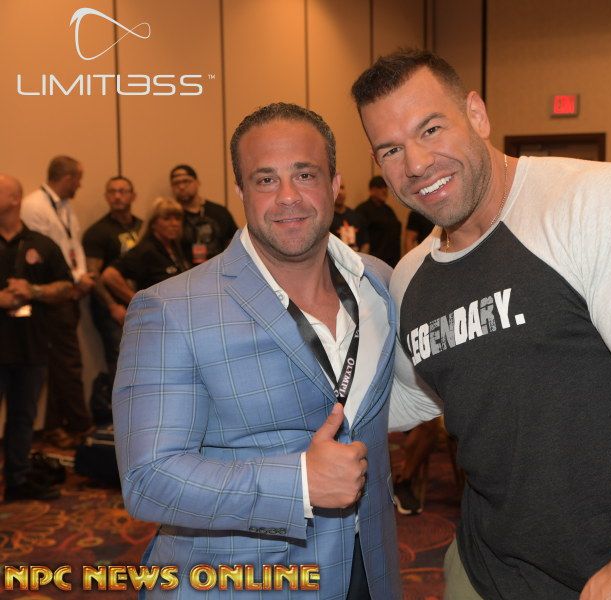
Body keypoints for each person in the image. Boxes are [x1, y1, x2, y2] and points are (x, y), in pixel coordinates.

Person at [352, 49, 611, 600]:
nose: (415, 163)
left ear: (477, 114)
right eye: (391, 149)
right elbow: (413, 395)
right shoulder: (413, 277)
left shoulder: (598, 201)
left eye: (430, 129)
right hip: (483, 569)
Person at [114, 102, 400, 599]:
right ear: (242, 191)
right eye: (266, 180)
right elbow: (148, 480)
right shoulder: (170, 308)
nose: (288, 196)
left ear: (335, 184)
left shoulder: (378, 283)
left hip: (369, 568)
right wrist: (300, 484)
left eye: (305, 174)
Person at [0, 174, 74, 501]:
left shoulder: (41, 244)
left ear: (14, 199)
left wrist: (34, 290)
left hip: (31, 347)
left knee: (23, 418)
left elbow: (66, 287)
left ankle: (17, 480)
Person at [20, 155, 94, 449]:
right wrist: (73, 281)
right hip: (52, 294)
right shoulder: (33, 206)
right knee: (68, 363)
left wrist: (81, 276)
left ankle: (53, 426)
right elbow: (43, 256)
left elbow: (72, 245)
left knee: (60, 364)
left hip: (70, 288)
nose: (80, 185)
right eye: (78, 179)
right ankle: (81, 426)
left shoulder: (64, 206)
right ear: (67, 178)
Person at [82, 176, 142, 375]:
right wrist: (112, 306)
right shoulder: (97, 232)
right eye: (112, 192)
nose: (117, 196)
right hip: (113, 310)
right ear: (106, 197)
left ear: (133, 196)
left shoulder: (143, 227)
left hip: (142, 304)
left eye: (123, 191)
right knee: (121, 362)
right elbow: (93, 274)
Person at [101, 197, 190, 302]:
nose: (174, 224)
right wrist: (137, 301)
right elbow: (109, 275)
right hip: (156, 310)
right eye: (167, 219)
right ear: (153, 223)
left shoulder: (176, 246)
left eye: (178, 219)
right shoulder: (145, 250)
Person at [169, 164, 238, 265]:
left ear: (197, 182)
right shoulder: (171, 218)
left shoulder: (219, 212)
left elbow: (234, 242)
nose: (181, 187)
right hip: (187, 272)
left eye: (186, 181)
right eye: (176, 183)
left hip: (220, 269)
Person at [355, 176, 401, 266]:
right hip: (373, 262)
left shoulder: (389, 210)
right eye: (380, 187)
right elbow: (361, 238)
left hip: (392, 262)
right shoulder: (362, 210)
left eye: (386, 187)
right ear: (372, 190)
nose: (384, 190)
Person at [330, 182, 370, 252]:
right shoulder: (327, 220)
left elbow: (366, 243)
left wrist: (358, 257)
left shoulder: (357, 216)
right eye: (335, 188)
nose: (339, 192)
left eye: (342, 188)